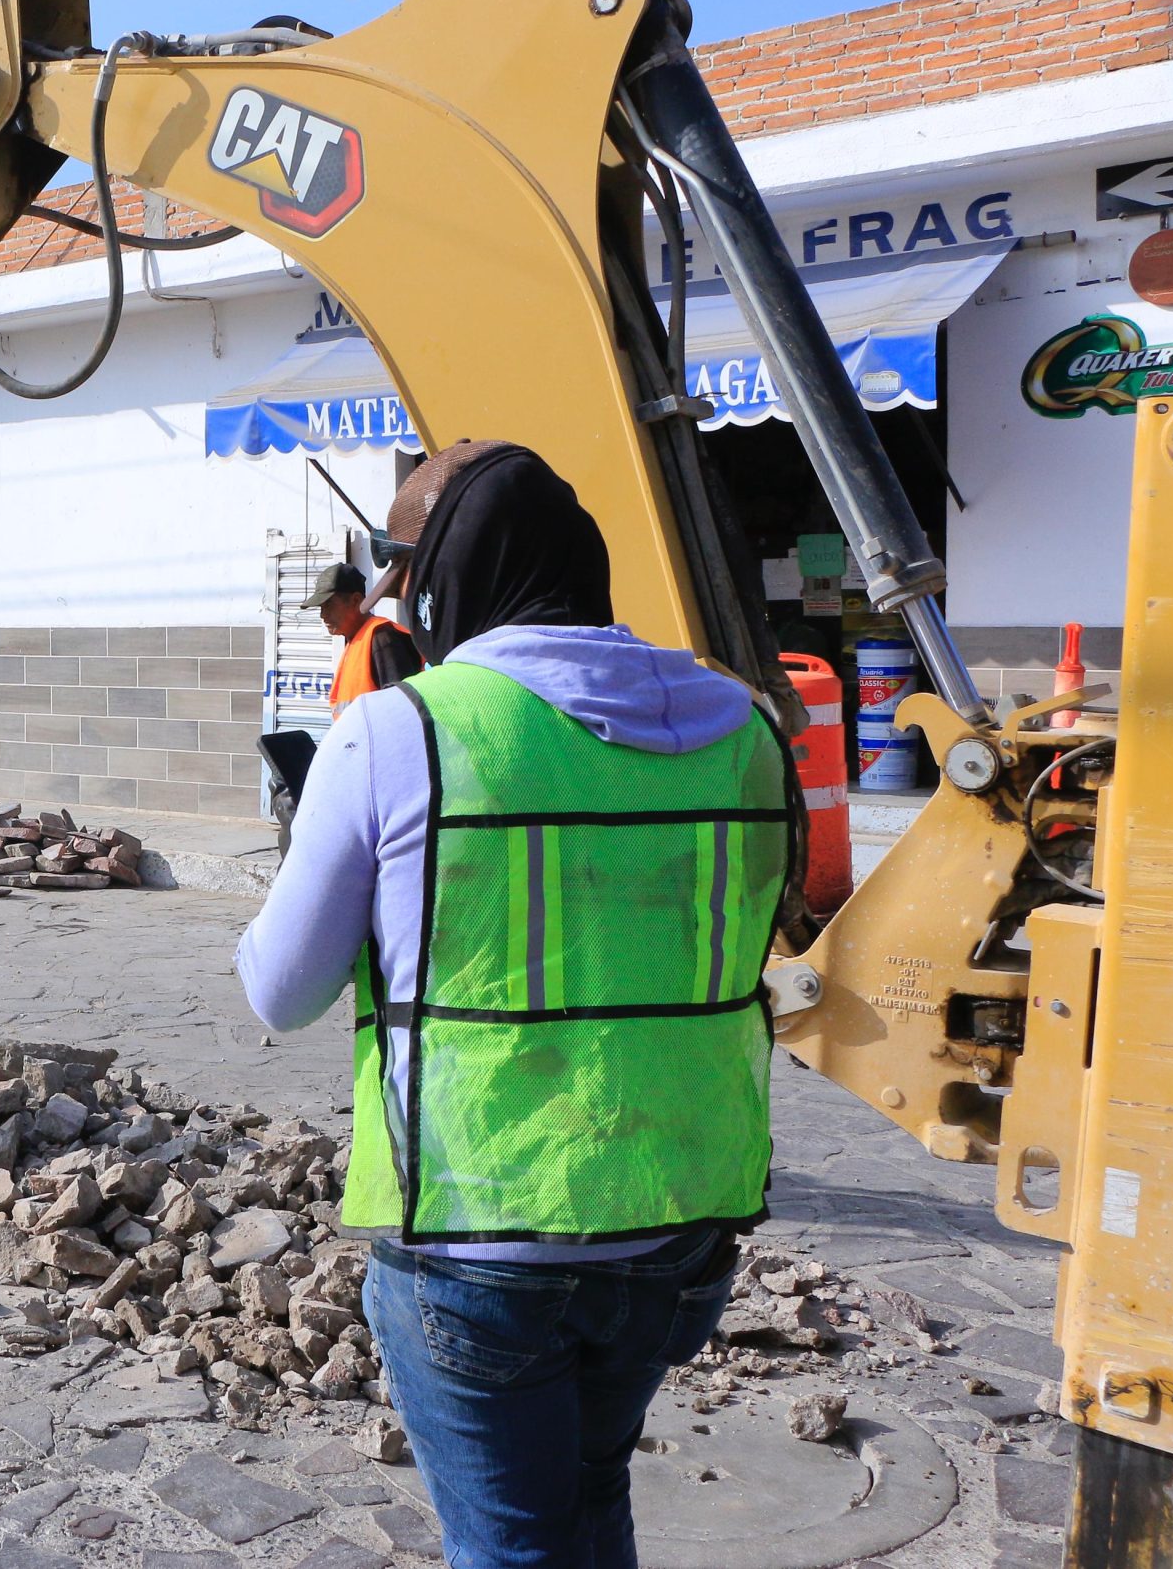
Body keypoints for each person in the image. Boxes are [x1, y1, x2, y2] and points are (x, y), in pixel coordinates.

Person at [237, 441, 792, 1568]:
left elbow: (279, 992)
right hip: (680, 1221)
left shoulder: (403, 732)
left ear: (437, 581)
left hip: (478, 1233)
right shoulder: (745, 727)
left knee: (511, 1546)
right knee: (591, 1505)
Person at [304, 560, 419, 708]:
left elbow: (402, 709)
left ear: (356, 600)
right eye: (321, 607)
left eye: (329, 605)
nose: (323, 615)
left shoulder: (382, 637)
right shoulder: (357, 640)